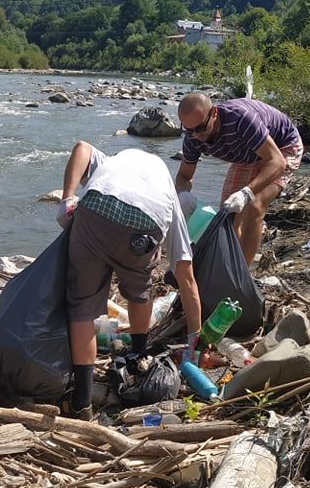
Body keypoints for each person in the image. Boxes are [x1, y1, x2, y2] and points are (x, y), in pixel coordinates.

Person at [57, 140, 203, 421]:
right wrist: (194, 340)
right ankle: (139, 357)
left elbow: (80, 147)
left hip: (97, 208)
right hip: (146, 225)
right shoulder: (168, 196)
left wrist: (68, 197)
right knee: (140, 290)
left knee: (82, 308)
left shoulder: (113, 162)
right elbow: (187, 278)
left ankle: (81, 403)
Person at [175, 92, 304, 266]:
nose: (196, 135)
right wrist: (181, 197)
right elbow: (184, 176)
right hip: (247, 156)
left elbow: (277, 162)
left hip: (282, 148)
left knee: (254, 206)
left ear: (214, 114)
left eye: (200, 129)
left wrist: (246, 192)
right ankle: (230, 265)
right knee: (228, 215)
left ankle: (242, 276)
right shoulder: (192, 137)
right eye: (188, 130)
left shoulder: (240, 119)